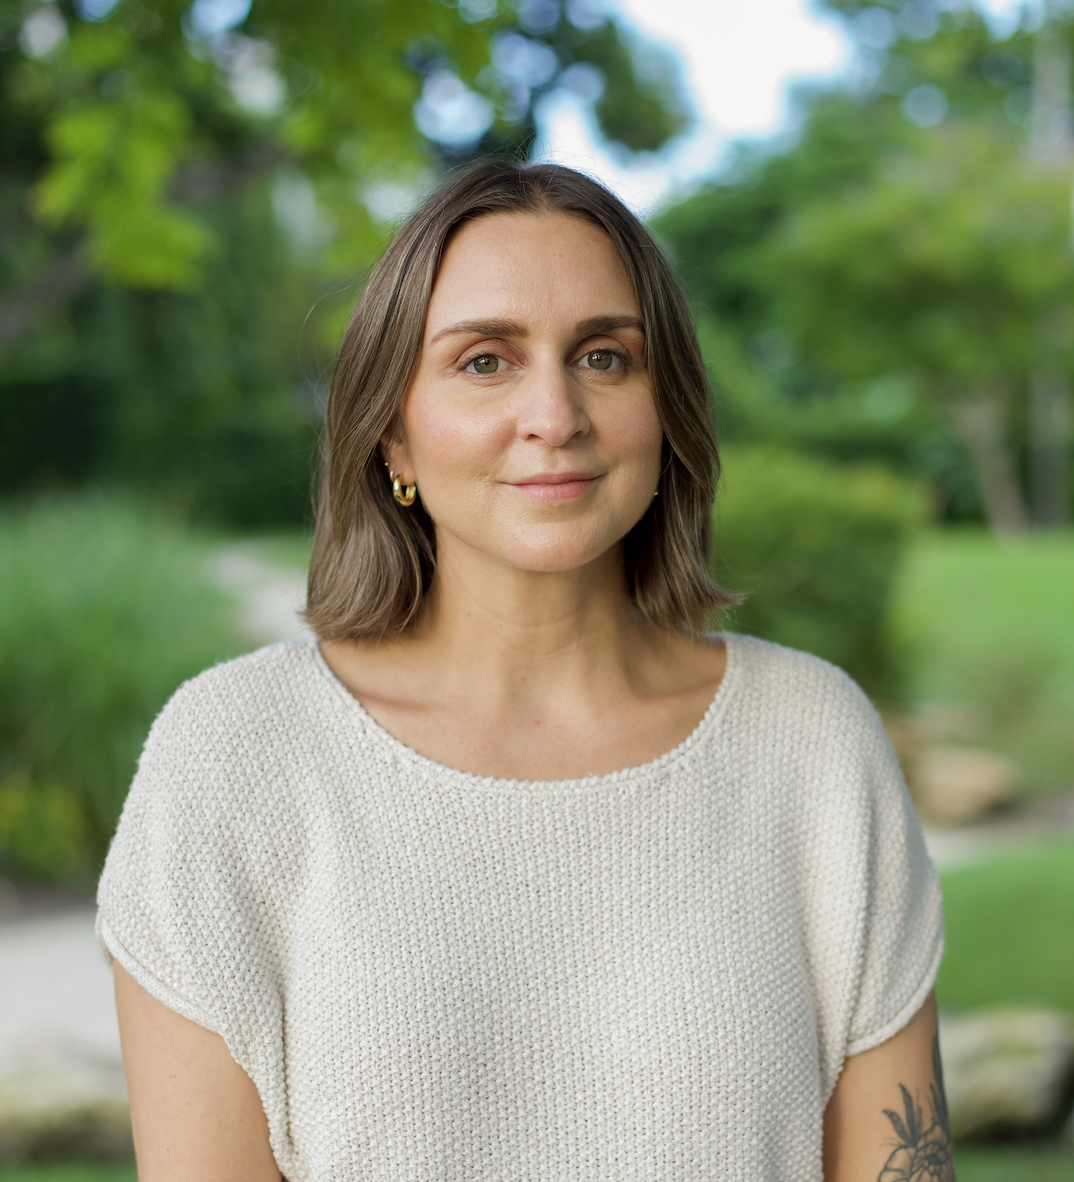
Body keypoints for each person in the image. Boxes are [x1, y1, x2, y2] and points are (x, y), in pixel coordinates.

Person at [97, 161, 950, 1182]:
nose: (556, 414)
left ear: (667, 409)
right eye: (485, 361)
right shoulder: (234, 756)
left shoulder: (814, 742)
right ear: (392, 434)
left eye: (604, 357)